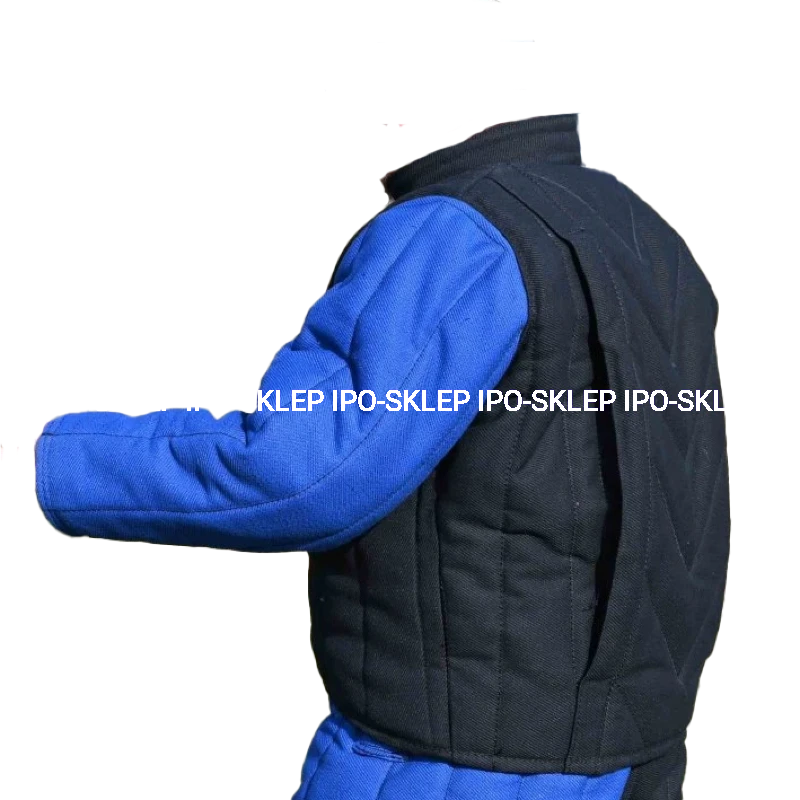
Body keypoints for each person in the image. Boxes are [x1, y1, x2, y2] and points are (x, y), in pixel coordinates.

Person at [33, 112, 728, 799]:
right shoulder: (642, 228)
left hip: (450, 770)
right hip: (633, 760)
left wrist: (49, 460)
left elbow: (297, 471)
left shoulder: (457, 233)